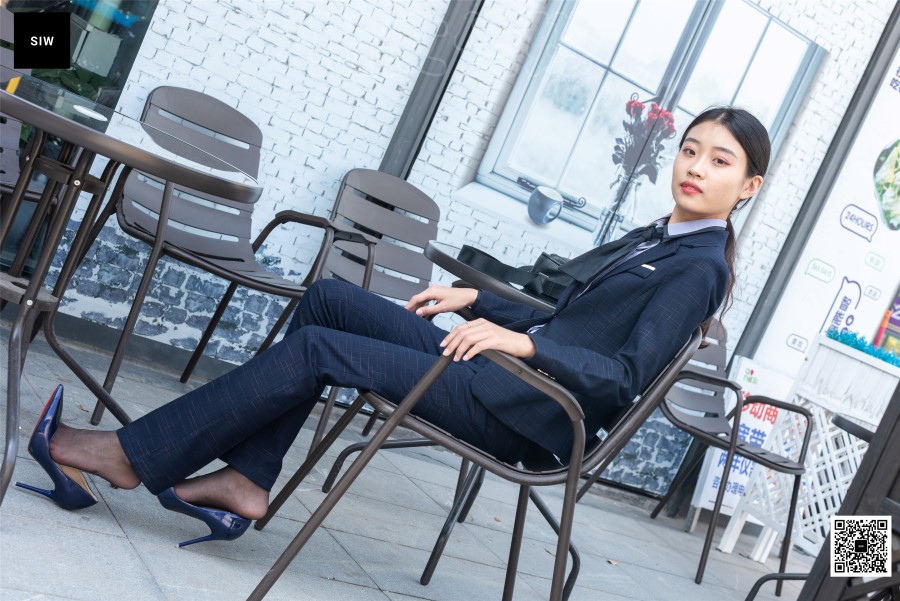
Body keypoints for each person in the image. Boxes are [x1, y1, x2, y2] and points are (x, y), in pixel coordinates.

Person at [17, 105, 769, 547]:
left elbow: (624, 376)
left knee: (320, 348)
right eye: (690, 150)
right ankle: (247, 478)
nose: (696, 167)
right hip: (500, 369)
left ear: (748, 186)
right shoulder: (657, 237)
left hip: (523, 408)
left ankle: (127, 456)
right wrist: (475, 302)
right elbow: (568, 319)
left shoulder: (698, 266)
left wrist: (521, 342)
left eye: (719, 160)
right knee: (329, 299)